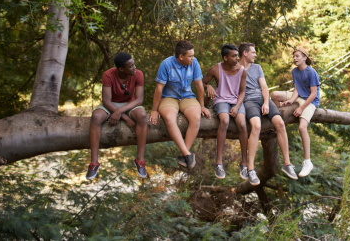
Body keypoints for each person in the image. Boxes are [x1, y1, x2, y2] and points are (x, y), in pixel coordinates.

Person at [238, 43, 298, 185]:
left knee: (280, 123)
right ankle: (251, 169)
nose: (256, 55)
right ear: (245, 53)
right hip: (248, 102)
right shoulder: (235, 69)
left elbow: (264, 87)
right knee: (256, 126)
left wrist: (266, 103)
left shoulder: (257, 68)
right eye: (253, 52)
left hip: (261, 99)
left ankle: (287, 164)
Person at [86, 52, 148, 180]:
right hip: (111, 104)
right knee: (96, 117)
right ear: (121, 69)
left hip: (130, 104)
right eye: (130, 66)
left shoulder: (138, 74)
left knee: (142, 115)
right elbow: (107, 101)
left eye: (134, 64)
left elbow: (139, 100)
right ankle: (94, 163)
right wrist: (124, 117)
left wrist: (120, 112)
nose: (134, 67)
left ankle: (140, 160)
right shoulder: (108, 74)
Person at [150, 40, 211, 169]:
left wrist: (202, 105)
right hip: (169, 97)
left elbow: (199, 86)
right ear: (181, 56)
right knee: (169, 118)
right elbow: (159, 89)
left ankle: (184, 154)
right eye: (190, 56)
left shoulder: (194, 63)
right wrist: (154, 110)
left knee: (196, 117)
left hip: (187, 96)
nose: (193, 58)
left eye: (193, 55)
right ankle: (187, 154)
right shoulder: (166, 64)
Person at [271, 47, 320, 177]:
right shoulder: (295, 71)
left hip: (310, 101)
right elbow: (297, 88)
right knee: (275, 94)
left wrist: (301, 108)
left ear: (305, 58)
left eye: (297, 56)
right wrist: (291, 101)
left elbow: (314, 94)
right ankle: (279, 123)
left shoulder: (311, 72)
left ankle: (307, 162)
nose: (295, 58)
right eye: (294, 56)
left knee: (302, 128)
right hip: (299, 97)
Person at [203, 44, 249, 180]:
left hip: (236, 101)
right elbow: (201, 83)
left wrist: (237, 106)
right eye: (234, 56)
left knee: (242, 124)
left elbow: (242, 91)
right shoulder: (215, 69)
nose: (237, 58)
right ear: (225, 58)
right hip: (221, 100)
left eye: (237, 55)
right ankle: (219, 163)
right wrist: (208, 86)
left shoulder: (242, 70)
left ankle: (244, 163)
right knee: (225, 120)